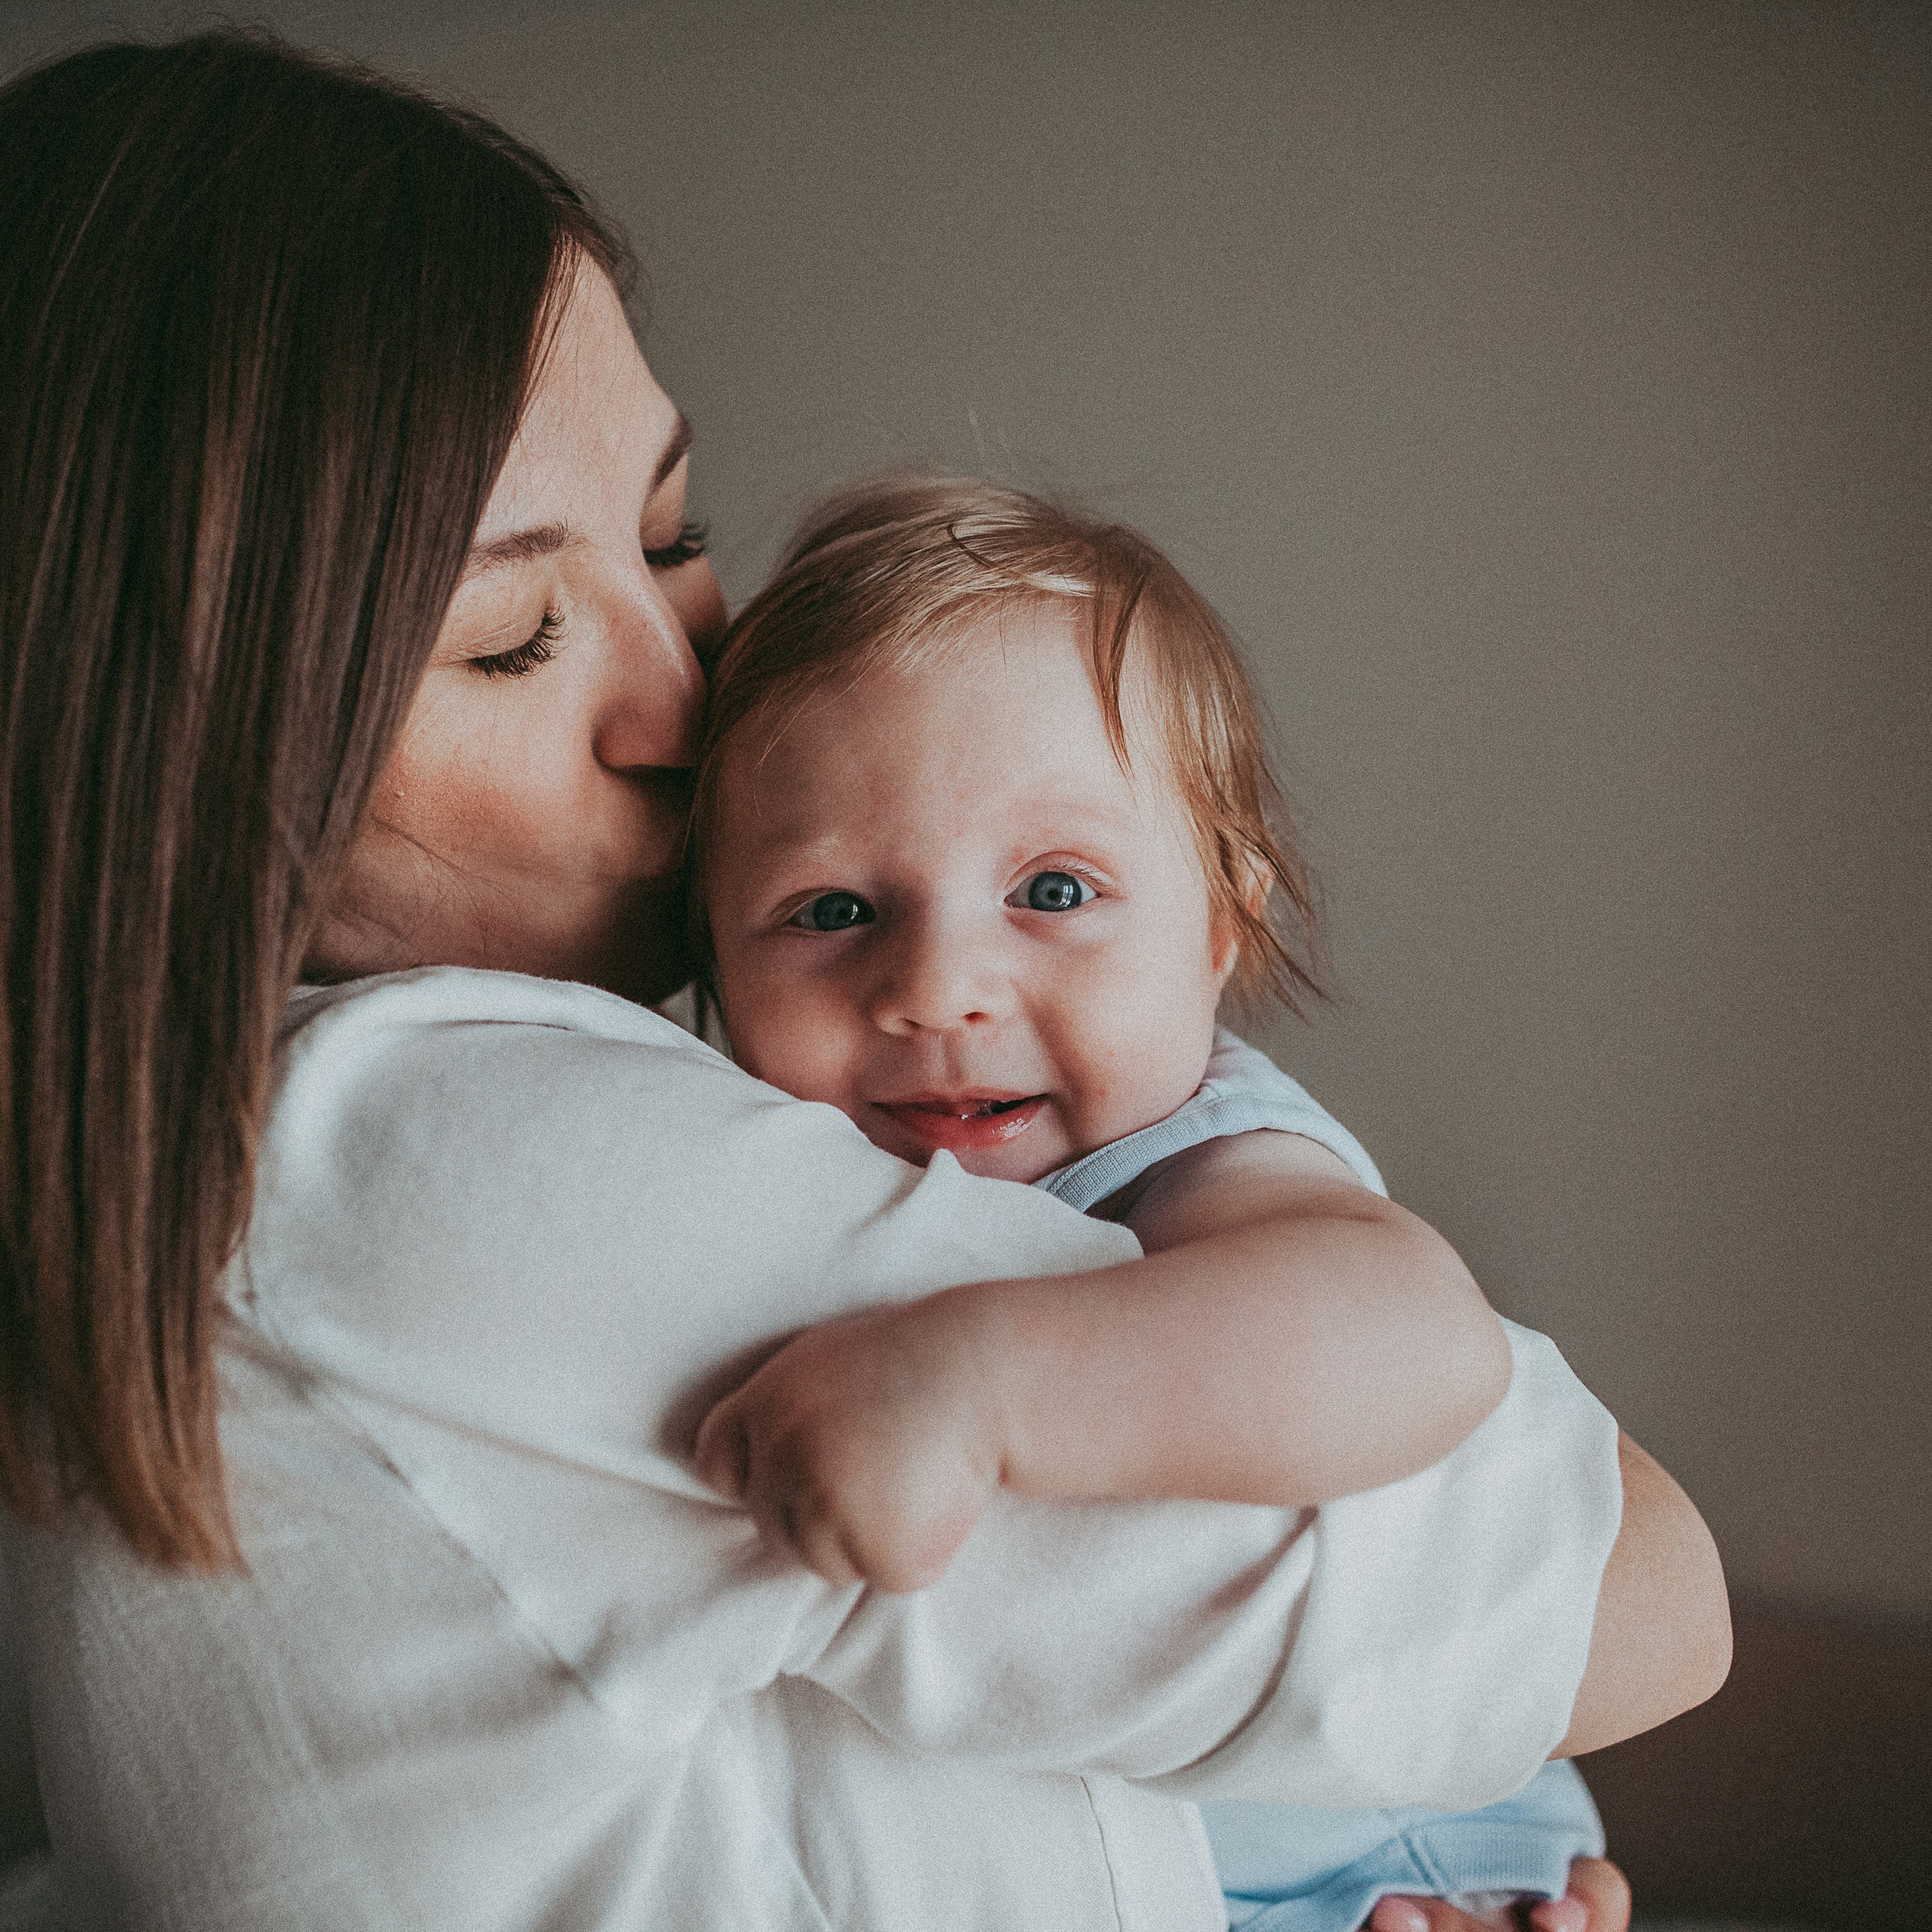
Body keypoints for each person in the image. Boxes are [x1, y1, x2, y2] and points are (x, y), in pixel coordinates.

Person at [0, 30, 1727, 1932]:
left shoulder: (176, 1191)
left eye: (672, 536)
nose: (684, 695)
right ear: (150, 739)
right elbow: (1622, 1592)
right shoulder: (417, 1143)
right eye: (511, 640)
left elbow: (1535, 1502)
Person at [676, 478, 1614, 1931]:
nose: (937, 988)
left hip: (1371, 1850)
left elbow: (1422, 1336)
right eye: (834, 912)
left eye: (1053, 890)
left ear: (1222, 925)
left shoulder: (1195, 1152)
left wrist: (979, 1386)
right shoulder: (741, 1144)